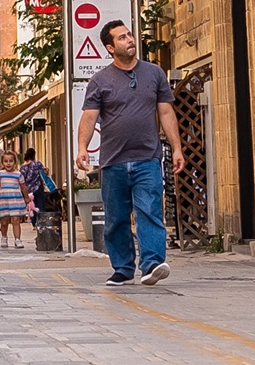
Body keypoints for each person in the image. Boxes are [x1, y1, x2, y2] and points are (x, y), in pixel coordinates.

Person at [78, 19, 185, 287]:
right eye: (123, 38)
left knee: (149, 210)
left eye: (130, 35)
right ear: (110, 47)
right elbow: (89, 117)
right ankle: (123, 268)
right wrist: (81, 148)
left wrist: (176, 148)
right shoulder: (100, 80)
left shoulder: (154, 74)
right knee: (115, 219)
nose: (130, 40)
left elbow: (166, 112)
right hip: (113, 161)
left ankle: (151, 265)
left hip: (148, 158)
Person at [0, 148, 31, 249]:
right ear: (2, 162)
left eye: (11, 161)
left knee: (16, 220)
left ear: (14, 162)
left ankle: (17, 239)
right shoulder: (0, 173)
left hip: (15, 200)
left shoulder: (18, 174)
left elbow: (23, 187)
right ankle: (4, 237)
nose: (8, 163)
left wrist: (26, 197)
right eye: (6, 161)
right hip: (4, 201)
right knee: (4, 221)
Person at [20, 146, 54, 223]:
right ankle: (42, 222)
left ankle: (34, 222)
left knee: (32, 206)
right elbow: (44, 172)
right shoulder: (37, 163)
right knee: (40, 204)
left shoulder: (22, 167)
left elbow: (21, 179)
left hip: (28, 189)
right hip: (38, 187)